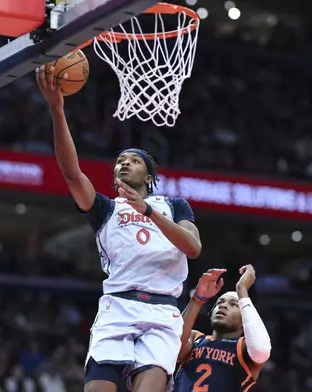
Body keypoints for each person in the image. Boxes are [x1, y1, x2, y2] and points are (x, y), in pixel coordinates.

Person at [36, 65, 202, 392]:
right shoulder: (106, 209)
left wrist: (149, 211)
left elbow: (193, 248)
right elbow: (72, 175)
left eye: (134, 160)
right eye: (120, 160)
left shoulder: (174, 206)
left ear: (150, 178)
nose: (124, 163)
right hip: (118, 307)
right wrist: (56, 108)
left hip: (163, 312)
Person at [174, 265, 271, 392]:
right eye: (219, 303)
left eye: (233, 304)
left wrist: (242, 290)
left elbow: (261, 350)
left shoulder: (243, 348)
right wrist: (198, 298)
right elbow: (171, 347)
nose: (223, 306)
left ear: (245, 320)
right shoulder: (194, 339)